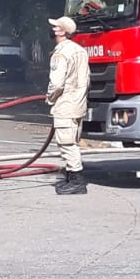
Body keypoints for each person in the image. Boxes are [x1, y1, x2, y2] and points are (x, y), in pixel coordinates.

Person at [46, 15, 90, 195]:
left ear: (62, 32)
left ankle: (77, 181)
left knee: (67, 143)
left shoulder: (60, 53)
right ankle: (72, 177)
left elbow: (57, 83)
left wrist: (50, 97)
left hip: (66, 104)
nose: (52, 29)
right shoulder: (80, 51)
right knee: (73, 141)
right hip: (79, 103)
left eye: (55, 27)